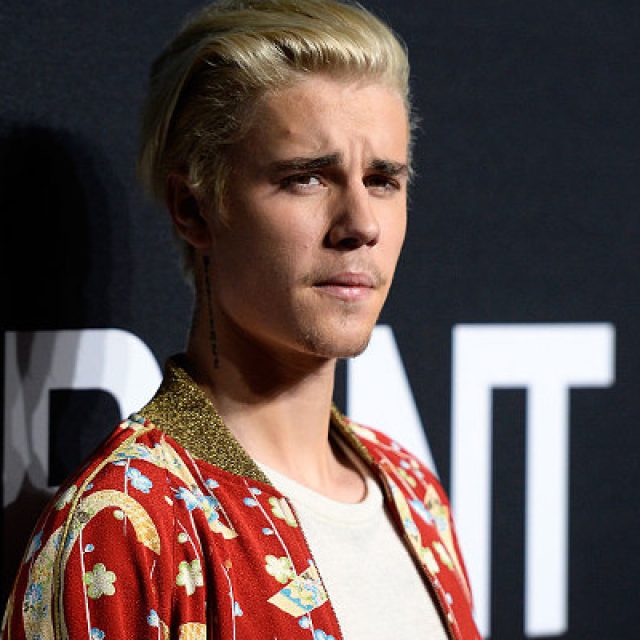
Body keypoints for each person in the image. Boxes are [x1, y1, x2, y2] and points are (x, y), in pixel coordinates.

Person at [2, 1, 481, 638]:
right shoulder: (125, 527)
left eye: (382, 180)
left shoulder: (414, 491)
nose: (361, 224)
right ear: (194, 207)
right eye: (307, 177)